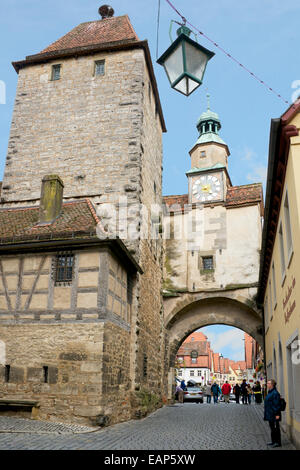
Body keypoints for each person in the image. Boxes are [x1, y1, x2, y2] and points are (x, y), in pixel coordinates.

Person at [264, 379, 281, 448]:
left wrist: (277, 414)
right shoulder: (270, 392)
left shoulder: (275, 393)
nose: (267, 384)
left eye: (268, 383)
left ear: (272, 385)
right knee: (272, 428)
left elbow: (276, 404)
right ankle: (273, 441)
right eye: (267, 383)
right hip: (270, 413)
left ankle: (277, 442)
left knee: (276, 428)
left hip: (274, 414)